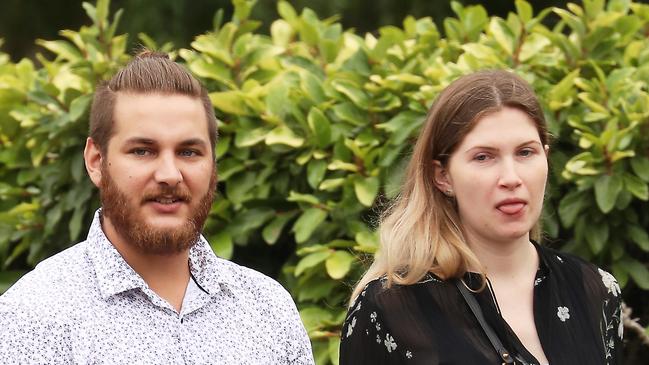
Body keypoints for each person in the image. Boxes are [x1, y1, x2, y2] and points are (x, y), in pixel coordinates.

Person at [0, 51, 314, 364]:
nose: (169, 175)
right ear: (96, 161)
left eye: (189, 152)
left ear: (213, 164)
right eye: (142, 151)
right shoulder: (32, 319)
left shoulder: (270, 311)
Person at [339, 70, 623, 365]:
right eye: (483, 157)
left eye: (526, 152)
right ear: (443, 176)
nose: (511, 178)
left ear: (546, 158)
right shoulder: (390, 308)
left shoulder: (596, 289)